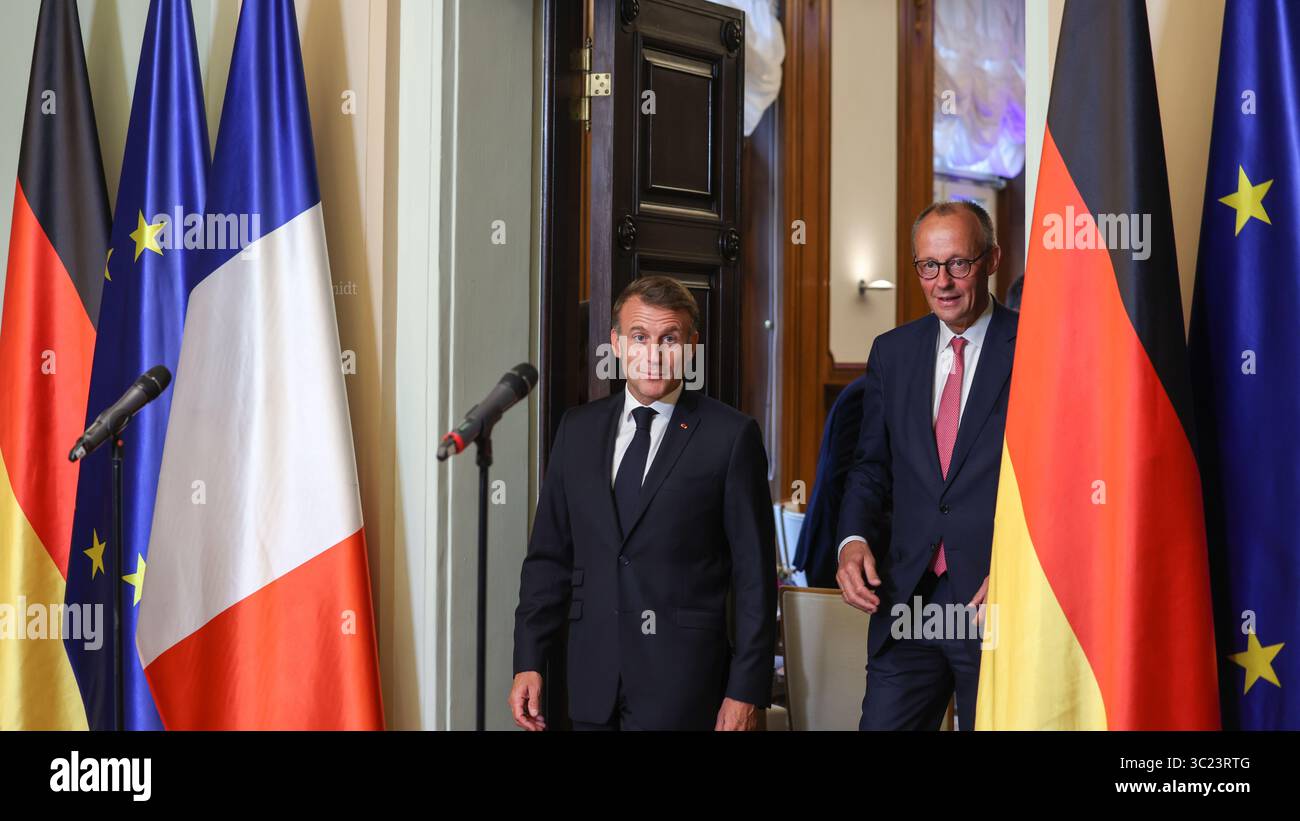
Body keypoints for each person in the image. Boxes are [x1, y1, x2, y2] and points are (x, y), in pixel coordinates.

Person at [511, 275, 777, 731]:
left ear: (691, 347)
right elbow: (548, 560)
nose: (653, 355)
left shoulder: (731, 437)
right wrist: (529, 659)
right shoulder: (577, 430)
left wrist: (746, 689)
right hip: (593, 685)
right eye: (639, 337)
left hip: (686, 689)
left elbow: (755, 577)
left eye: (668, 339)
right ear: (616, 344)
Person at [836, 200, 1019, 731]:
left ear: (991, 260)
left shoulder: (1034, 347)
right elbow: (870, 467)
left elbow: (1061, 483)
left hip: (994, 600)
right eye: (928, 266)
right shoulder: (892, 352)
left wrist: (1020, 572)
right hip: (906, 599)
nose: (943, 281)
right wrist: (852, 540)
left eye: (959, 263)